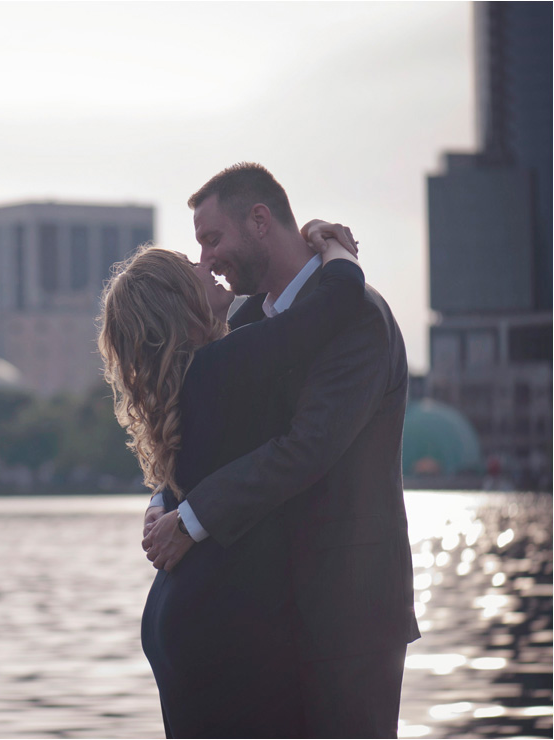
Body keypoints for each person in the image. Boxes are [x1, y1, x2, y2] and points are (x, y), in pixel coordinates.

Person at [142, 162, 420, 738]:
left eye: (213, 239)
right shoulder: (245, 321)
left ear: (260, 221)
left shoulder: (358, 317)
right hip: (271, 615)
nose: (209, 259)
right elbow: (204, 422)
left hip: (348, 612)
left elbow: (309, 447)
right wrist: (163, 499)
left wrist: (191, 520)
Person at [99, 220, 364, 737]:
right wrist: (333, 245)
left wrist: (160, 502)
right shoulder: (223, 366)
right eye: (190, 267)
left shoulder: (184, 381)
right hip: (221, 620)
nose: (205, 264)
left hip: (180, 611)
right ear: (180, 304)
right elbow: (338, 300)